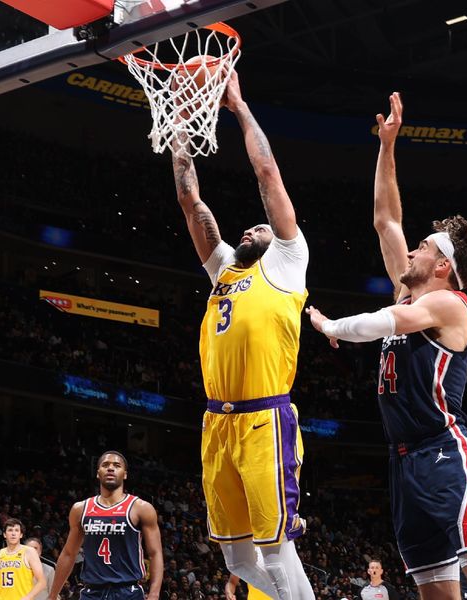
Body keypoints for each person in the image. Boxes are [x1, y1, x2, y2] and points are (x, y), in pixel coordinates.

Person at [306, 92, 467, 600]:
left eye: (425, 245)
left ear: (443, 265)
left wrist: (333, 326)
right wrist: (387, 146)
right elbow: (386, 220)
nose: (415, 247)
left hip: (445, 451)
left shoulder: (450, 305)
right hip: (404, 463)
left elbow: (389, 321)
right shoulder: (411, 287)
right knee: (436, 593)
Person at [170, 69, 313, 600]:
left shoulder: (287, 261)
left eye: (259, 226)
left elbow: (267, 172)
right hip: (217, 423)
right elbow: (191, 201)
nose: (251, 228)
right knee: (234, 554)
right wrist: (179, 126)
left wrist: (238, 107)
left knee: (276, 549)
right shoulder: (224, 267)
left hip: (264, 420)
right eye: (248, 227)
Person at [47, 451, 163, 600]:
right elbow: (69, 554)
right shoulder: (80, 509)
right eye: (105, 465)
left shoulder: (141, 508)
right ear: (97, 473)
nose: (110, 468)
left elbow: (155, 553)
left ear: (125, 474)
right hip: (92, 592)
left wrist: (154, 594)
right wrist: (52, 595)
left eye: (116, 465)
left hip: (128, 591)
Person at [0, 519, 46, 600]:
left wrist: (28, 597)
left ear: (21, 535)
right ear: (4, 534)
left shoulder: (29, 552)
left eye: (16, 530)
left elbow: (42, 582)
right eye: (10, 530)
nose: (13, 533)